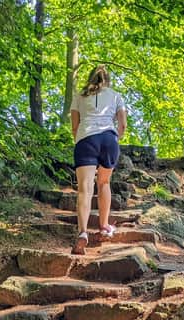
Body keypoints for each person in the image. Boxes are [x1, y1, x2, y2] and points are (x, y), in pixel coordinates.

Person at [69, 64, 127, 255]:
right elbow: (123, 125)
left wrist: (81, 139)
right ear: (107, 79)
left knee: (85, 188)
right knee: (104, 183)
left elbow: (75, 127)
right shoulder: (116, 96)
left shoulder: (79, 96)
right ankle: (103, 226)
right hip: (109, 139)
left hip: (86, 139)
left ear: (90, 78)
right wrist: (115, 138)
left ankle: (83, 232)